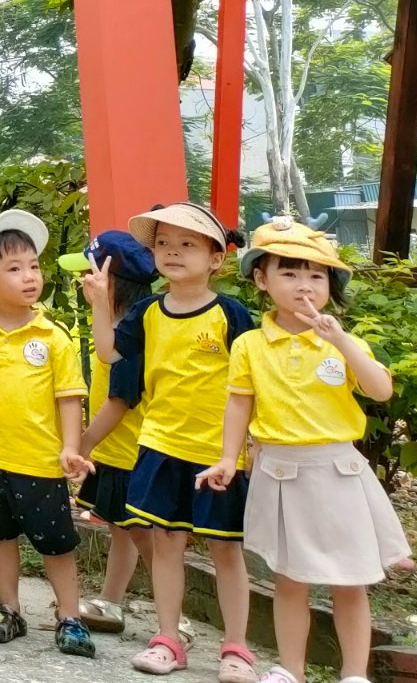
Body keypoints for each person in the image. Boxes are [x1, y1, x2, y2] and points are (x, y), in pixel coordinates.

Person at [196, 219, 410, 683]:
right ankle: (291, 669)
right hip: (278, 473)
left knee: (350, 581)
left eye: (316, 275)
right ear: (261, 279)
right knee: (289, 580)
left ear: (330, 287)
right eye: (289, 273)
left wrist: (342, 341)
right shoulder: (250, 344)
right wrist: (229, 458)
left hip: (337, 473)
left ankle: (354, 674)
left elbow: (380, 390)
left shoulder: (343, 342)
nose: (304, 285)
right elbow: (239, 402)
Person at [82, 202, 257, 681]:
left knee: (225, 550)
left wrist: (251, 445)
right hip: (159, 447)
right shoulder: (147, 312)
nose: (172, 252)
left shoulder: (231, 314)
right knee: (165, 545)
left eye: (187, 244)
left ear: (216, 258)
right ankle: (167, 639)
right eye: (163, 244)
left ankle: (237, 649)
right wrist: (99, 301)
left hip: (217, 454)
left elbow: (253, 383)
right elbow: (109, 353)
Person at [0, 209, 98, 658]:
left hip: (41, 463)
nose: (29, 276)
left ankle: (69, 616)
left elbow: (69, 397)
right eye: (14, 268)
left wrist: (71, 447)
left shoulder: (52, 336)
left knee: (57, 544)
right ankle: (9, 609)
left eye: (33, 266)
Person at [69, 229, 160, 635]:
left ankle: (176, 616)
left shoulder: (131, 336)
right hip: (119, 451)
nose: (82, 283)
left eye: (89, 276)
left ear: (113, 285)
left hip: (130, 453)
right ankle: (110, 601)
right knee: (123, 529)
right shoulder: (118, 326)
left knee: (143, 536)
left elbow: (121, 401)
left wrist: (84, 442)